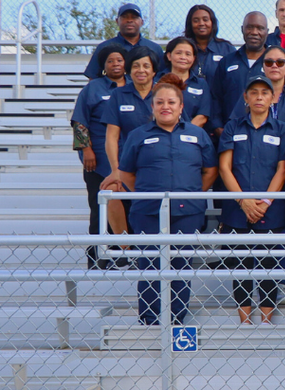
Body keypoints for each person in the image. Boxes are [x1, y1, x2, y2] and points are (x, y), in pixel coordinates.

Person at [115, 76, 218, 325]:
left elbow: (211, 171)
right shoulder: (138, 135)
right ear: (152, 106)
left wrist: (191, 193)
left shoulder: (198, 135)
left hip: (188, 212)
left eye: (171, 102)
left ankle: (176, 320)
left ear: (181, 107)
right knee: (149, 265)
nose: (165, 106)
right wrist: (143, 193)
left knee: (181, 266)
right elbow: (126, 173)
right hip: (147, 212)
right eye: (159, 101)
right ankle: (150, 320)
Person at [218, 75, 285, 324]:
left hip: (269, 210)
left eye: (264, 92)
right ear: (246, 98)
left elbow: (282, 170)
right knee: (240, 266)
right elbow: (225, 168)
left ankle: (266, 322)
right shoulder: (232, 127)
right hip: (236, 210)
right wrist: (244, 201)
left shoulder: (283, 129)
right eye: (254, 92)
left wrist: (264, 202)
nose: (259, 96)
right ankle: (245, 322)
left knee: (268, 265)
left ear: (273, 98)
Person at [72, 44, 127, 268]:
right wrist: (86, 150)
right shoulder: (93, 88)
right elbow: (79, 121)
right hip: (98, 162)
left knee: (129, 209)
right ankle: (97, 258)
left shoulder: (135, 87)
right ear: (103, 66)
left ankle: (124, 256)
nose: (115, 64)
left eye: (120, 60)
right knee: (99, 210)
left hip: (127, 162)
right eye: (110, 61)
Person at [100, 46, 166, 206]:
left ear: (154, 71)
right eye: (136, 66)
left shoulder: (164, 94)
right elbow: (111, 136)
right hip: (127, 163)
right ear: (128, 70)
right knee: (110, 190)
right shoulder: (118, 95)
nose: (141, 70)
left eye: (146, 66)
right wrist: (116, 170)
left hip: (158, 162)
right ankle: (121, 232)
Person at [209, 12, 270, 137]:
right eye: (250, 27)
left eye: (260, 28)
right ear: (242, 29)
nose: (254, 32)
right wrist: (218, 128)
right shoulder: (227, 61)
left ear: (267, 32)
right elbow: (216, 97)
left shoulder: (276, 63)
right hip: (230, 133)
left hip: (265, 136)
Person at [229, 46, 285, 134]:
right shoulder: (251, 94)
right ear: (263, 66)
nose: (274, 66)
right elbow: (235, 126)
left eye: (280, 62)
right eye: (269, 62)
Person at [84, 3, 163, 79]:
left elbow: (162, 76)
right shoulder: (105, 47)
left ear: (142, 22)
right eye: (125, 17)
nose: (129, 20)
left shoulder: (154, 48)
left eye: (134, 17)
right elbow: (93, 77)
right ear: (117, 21)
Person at [159, 36, 212, 129]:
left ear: (194, 58)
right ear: (169, 56)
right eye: (178, 53)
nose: (183, 57)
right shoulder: (157, 80)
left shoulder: (201, 84)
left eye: (188, 54)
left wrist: (184, 132)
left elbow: (202, 116)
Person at [183, 4, 234, 79]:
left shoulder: (226, 48)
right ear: (190, 24)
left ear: (212, 22)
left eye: (205, 20)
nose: (201, 23)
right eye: (196, 21)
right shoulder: (182, 48)